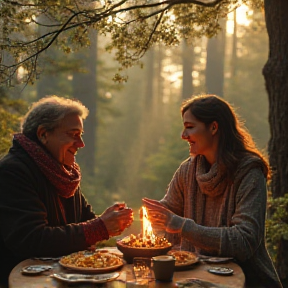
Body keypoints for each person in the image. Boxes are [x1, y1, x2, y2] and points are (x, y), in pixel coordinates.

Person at [143, 94, 282, 288]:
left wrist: (183, 226)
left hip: (247, 281)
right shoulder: (187, 170)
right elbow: (169, 214)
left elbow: (244, 241)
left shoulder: (249, 172)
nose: (183, 135)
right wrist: (154, 217)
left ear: (214, 127)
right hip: (196, 279)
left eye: (190, 127)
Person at [0, 95, 133, 287]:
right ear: (43, 134)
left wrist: (110, 220)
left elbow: (84, 221)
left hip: (60, 277)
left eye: (81, 135)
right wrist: (99, 227)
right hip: (22, 281)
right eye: (73, 134)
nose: (80, 144)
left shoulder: (62, 173)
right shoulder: (13, 171)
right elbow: (31, 240)